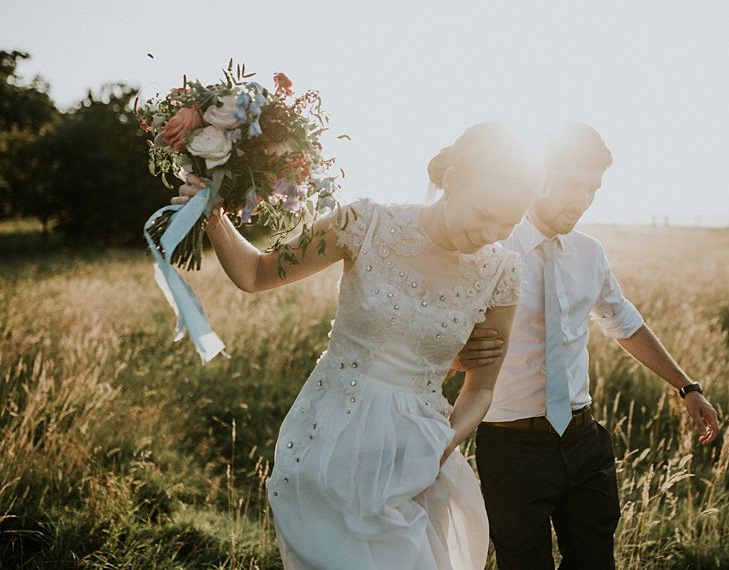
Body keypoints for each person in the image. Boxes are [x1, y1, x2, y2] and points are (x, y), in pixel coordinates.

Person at [172, 122, 543, 570]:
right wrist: (213, 216)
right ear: (450, 180)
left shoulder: (502, 272)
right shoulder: (363, 223)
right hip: (330, 440)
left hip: (418, 454)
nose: (492, 233)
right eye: (485, 212)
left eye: (509, 223)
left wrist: (438, 446)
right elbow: (257, 274)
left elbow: (481, 390)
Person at [457, 122, 721, 570]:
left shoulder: (589, 253)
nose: (581, 200)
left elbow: (625, 323)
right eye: (572, 185)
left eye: (592, 189)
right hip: (511, 447)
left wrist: (687, 386)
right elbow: (441, 333)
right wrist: (456, 356)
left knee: (595, 561)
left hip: (584, 441)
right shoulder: (492, 249)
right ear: (540, 177)